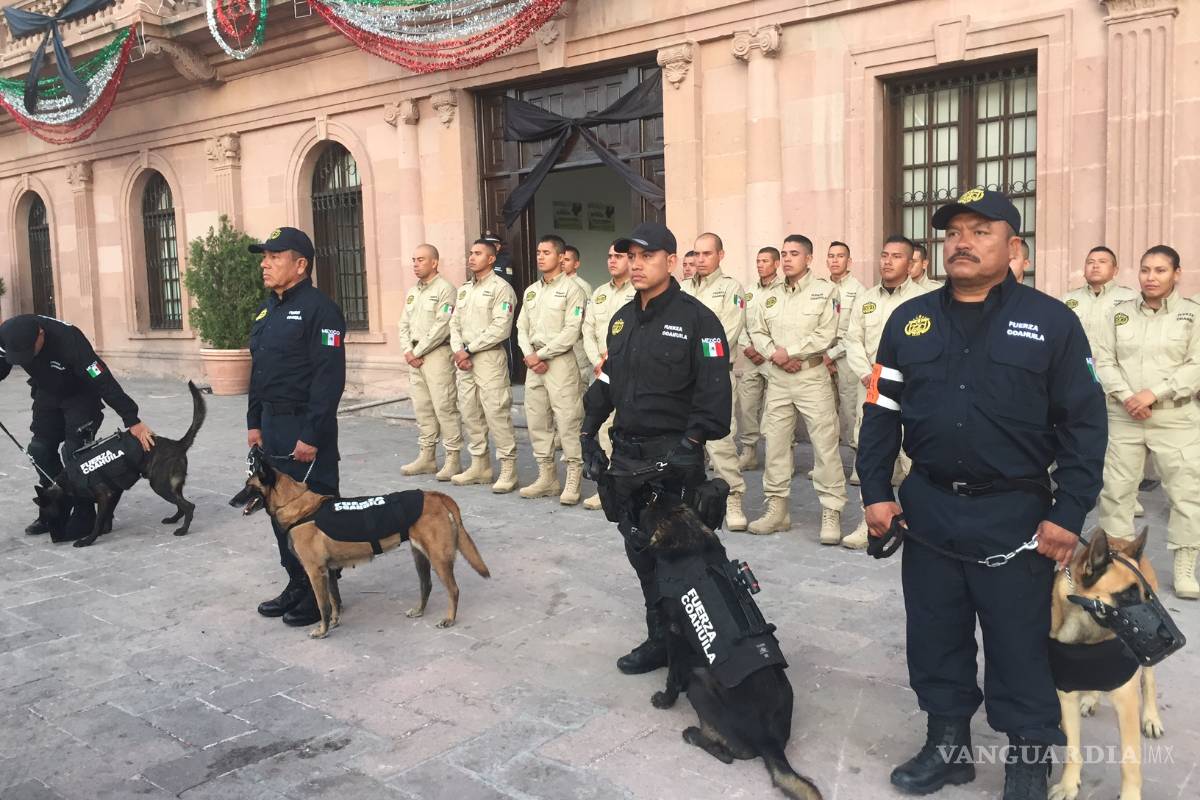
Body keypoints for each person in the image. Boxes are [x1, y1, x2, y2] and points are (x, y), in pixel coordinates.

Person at [857, 188, 1105, 799]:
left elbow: (1085, 425)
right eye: (952, 232)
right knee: (934, 631)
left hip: (1016, 512)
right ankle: (948, 744)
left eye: (979, 230)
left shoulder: (1052, 322)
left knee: (1018, 639)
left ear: (1013, 246)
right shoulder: (908, 321)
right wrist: (875, 491)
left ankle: (1027, 759)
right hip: (929, 507)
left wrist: (1069, 511)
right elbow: (881, 411)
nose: (961, 242)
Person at [580, 220, 731, 674]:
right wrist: (589, 431)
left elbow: (715, 389)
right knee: (641, 551)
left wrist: (692, 442)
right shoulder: (622, 319)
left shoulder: (698, 319)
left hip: (674, 458)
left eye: (648, 256)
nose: (638, 264)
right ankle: (660, 639)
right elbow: (608, 379)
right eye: (633, 256)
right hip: (628, 458)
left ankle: (698, 640)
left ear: (670, 259)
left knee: (682, 558)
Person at [246, 226, 347, 627]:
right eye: (264, 257)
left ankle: (324, 591)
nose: (265, 263)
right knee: (280, 512)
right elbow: (261, 370)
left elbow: (328, 379)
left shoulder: (322, 310)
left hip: (305, 428)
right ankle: (297, 583)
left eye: (274, 256)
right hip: (271, 424)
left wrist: (311, 434)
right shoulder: (268, 308)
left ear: (300, 265)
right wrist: (254, 422)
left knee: (314, 514)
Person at [1093, 245, 1200, 599]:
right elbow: (1104, 360)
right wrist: (1127, 397)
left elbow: (1195, 365)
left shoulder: (1192, 313)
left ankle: (1185, 568)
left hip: (1175, 417)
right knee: (1117, 492)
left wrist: (1153, 393)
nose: (1151, 277)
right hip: (1124, 416)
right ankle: (1121, 562)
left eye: (1160, 271)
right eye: (1145, 270)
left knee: (1186, 494)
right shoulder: (1119, 313)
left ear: (1176, 274)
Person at [0, 314, 155, 539]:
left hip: (81, 395)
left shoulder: (70, 340)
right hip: (47, 393)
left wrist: (132, 419)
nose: (25, 358)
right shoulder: (8, 335)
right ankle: (55, 504)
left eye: (28, 352)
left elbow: (103, 380)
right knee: (39, 450)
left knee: (74, 453)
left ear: (40, 334)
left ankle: (86, 513)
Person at [747, 234, 846, 541]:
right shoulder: (770, 294)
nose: (787, 259)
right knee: (775, 443)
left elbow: (826, 333)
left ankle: (831, 511)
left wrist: (789, 352)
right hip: (778, 378)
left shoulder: (825, 291)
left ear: (808, 258)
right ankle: (778, 509)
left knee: (825, 445)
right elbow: (756, 329)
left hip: (811, 377)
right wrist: (774, 353)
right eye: (784, 253)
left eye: (794, 253)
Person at [839, 235, 930, 549]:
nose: (888, 261)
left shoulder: (925, 300)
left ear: (911, 263)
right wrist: (867, 372)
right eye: (884, 255)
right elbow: (852, 339)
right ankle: (871, 519)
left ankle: (918, 520)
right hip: (874, 390)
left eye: (896, 256)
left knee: (912, 458)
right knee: (871, 455)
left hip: (914, 393)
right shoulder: (866, 299)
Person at [682, 233, 748, 530]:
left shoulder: (731, 289)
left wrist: (696, 360)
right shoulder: (681, 290)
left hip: (714, 376)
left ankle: (732, 498)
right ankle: (686, 501)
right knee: (681, 440)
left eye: (707, 254)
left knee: (721, 441)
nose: (700, 260)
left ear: (720, 255)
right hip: (681, 380)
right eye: (696, 254)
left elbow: (725, 335)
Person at [516, 234, 588, 504]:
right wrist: (529, 355)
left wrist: (541, 354)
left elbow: (571, 332)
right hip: (534, 362)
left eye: (546, 252)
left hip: (559, 362)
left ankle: (573, 477)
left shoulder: (573, 290)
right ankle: (547, 477)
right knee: (537, 420)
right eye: (538, 252)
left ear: (561, 257)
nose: (540, 256)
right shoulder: (532, 290)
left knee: (568, 420)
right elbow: (521, 326)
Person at [449, 239, 520, 493]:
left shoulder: (501, 288)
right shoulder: (465, 289)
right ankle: (480, 465)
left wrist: (469, 349)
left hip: (488, 357)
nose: (471, 257)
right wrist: (459, 350)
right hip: (464, 359)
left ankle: (508, 468)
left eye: (478, 253)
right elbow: (454, 323)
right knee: (470, 411)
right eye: (470, 253)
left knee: (496, 412)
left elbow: (501, 328)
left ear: (491, 259)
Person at [397, 244, 463, 481]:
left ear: (434, 262)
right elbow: (403, 322)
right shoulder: (413, 291)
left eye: (421, 260)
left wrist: (417, 351)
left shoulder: (445, 289)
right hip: (415, 355)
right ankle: (427, 456)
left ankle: (453, 458)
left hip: (435, 354)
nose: (416, 264)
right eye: (413, 259)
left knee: (444, 406)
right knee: (422, 407)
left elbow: (442, 324)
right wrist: (408, 350)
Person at [580, 241, 637, 510]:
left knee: (628, 429)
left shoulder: (638, 291)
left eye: (618, 256)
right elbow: (588, 330)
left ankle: (630, 485)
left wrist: (610, 360)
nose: (612, 261)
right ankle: (608, 488)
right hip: (603, 371)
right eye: (609, 256)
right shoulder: (599, 294)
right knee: (603, 429)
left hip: (628, 370)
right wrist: (598, 361)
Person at [823, 241, 867, 484]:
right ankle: (828, 465)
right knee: (825, 413)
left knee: (852, 413)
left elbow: (854, 332)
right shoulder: (819, 288)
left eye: (840, 256)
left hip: (846, 358)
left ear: (849, 262)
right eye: (830, 256)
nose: (835, 260)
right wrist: (822, 354)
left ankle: (859, 465)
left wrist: (833, 354)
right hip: (820, 358)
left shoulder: (859, 291)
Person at [736, 247, 782, 471]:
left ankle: (781, 455)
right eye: (758, 261)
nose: (760, 265)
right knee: (747, 406)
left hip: (773, 359)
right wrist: (747, 348)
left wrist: (767, 351)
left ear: (776, 264)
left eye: (765, 261)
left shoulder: (784, 290)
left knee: (776, 409)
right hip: (750, 358)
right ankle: (749, 451)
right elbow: (740, 322)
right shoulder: (748, 292)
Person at [1061, 246, 1138, 344]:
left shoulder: (1132, 298)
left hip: (1115, 359)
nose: (1095, 266)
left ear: (1115, 270)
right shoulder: (1066, 299)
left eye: (1102, 262)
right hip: (1076, 359)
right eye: (1090, 262)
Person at [562, 244, 594, 388]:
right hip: (557, 347)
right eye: (561, 259)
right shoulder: (555, 285)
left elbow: (584, 318)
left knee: (578, 388)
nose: (562, 263)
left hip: (576, 346)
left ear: (576, 264)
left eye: (567, 260)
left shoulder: (582, 287)